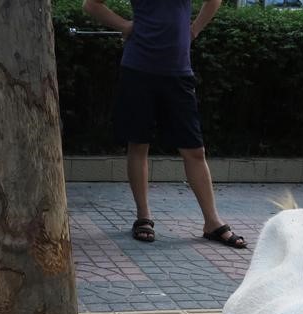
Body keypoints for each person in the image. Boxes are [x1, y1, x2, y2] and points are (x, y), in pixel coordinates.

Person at [82, 0, 246, 248]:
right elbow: (91, 5)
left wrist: (194, 29)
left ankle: (212, 222)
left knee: (195, 150)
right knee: (138, 144)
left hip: (178, 72)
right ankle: (143, 217)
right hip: (138, 70)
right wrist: (124, 25)